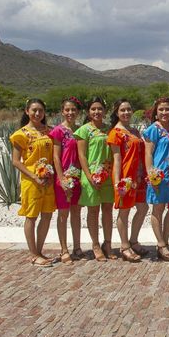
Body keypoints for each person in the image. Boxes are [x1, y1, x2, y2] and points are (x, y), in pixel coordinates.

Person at [10, 98, 56, 267]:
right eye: (34, 110)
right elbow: (16, 161)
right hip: (32, 181)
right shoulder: (21, 134)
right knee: (32, 216)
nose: (37, 114)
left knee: (47, 215)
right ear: (27, 111)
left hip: (48, 181)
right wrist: (34, 176)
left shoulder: (49, 131)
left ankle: (40, 251)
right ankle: (33, 253)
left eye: (41, 111)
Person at [107, 99, 148, 262]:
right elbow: (116, 159)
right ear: (117, 112)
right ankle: (124, 246)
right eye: (122, 110)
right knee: (124, 211)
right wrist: (118, 182)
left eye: (129, 109)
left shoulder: (134, 131)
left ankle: (133, 240)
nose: (126, 113)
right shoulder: (115, 133)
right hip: (125, 177)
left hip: (138, 177)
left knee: (143, 208)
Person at [75, 97, 114, 262]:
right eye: (93, 109)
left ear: (105, 111)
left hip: (108, 176)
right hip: (91, 176)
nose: (97, 112)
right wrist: (90, 176)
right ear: (88, 112)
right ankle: (95, 244)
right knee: (93, 211)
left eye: (100, 109)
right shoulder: (84, 130)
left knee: (107, 210)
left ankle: (108, 243)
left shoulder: (109, 129)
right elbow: (82, 155)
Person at [49, 96, 83, 265]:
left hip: (78, 178)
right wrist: (61, 178)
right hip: (63, 178)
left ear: (78, 112)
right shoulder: (58, 131)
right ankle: (64, 249)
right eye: (67, 109)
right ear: (62, 111)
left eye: (73, 110)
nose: (70, 112)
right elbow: (56, 156)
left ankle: (77, 246)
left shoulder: (80, 130)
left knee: (76, 212)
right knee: (63, 213)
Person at [143, 97, 169, 261]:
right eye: (161, 109)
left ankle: (164, 241)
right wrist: (152, 174)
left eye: (167, 109)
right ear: (156, 112)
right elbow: (148, 153)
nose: (164, 112)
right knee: (158, 209)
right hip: (159, 175)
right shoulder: (153, 130)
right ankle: (161, 244)